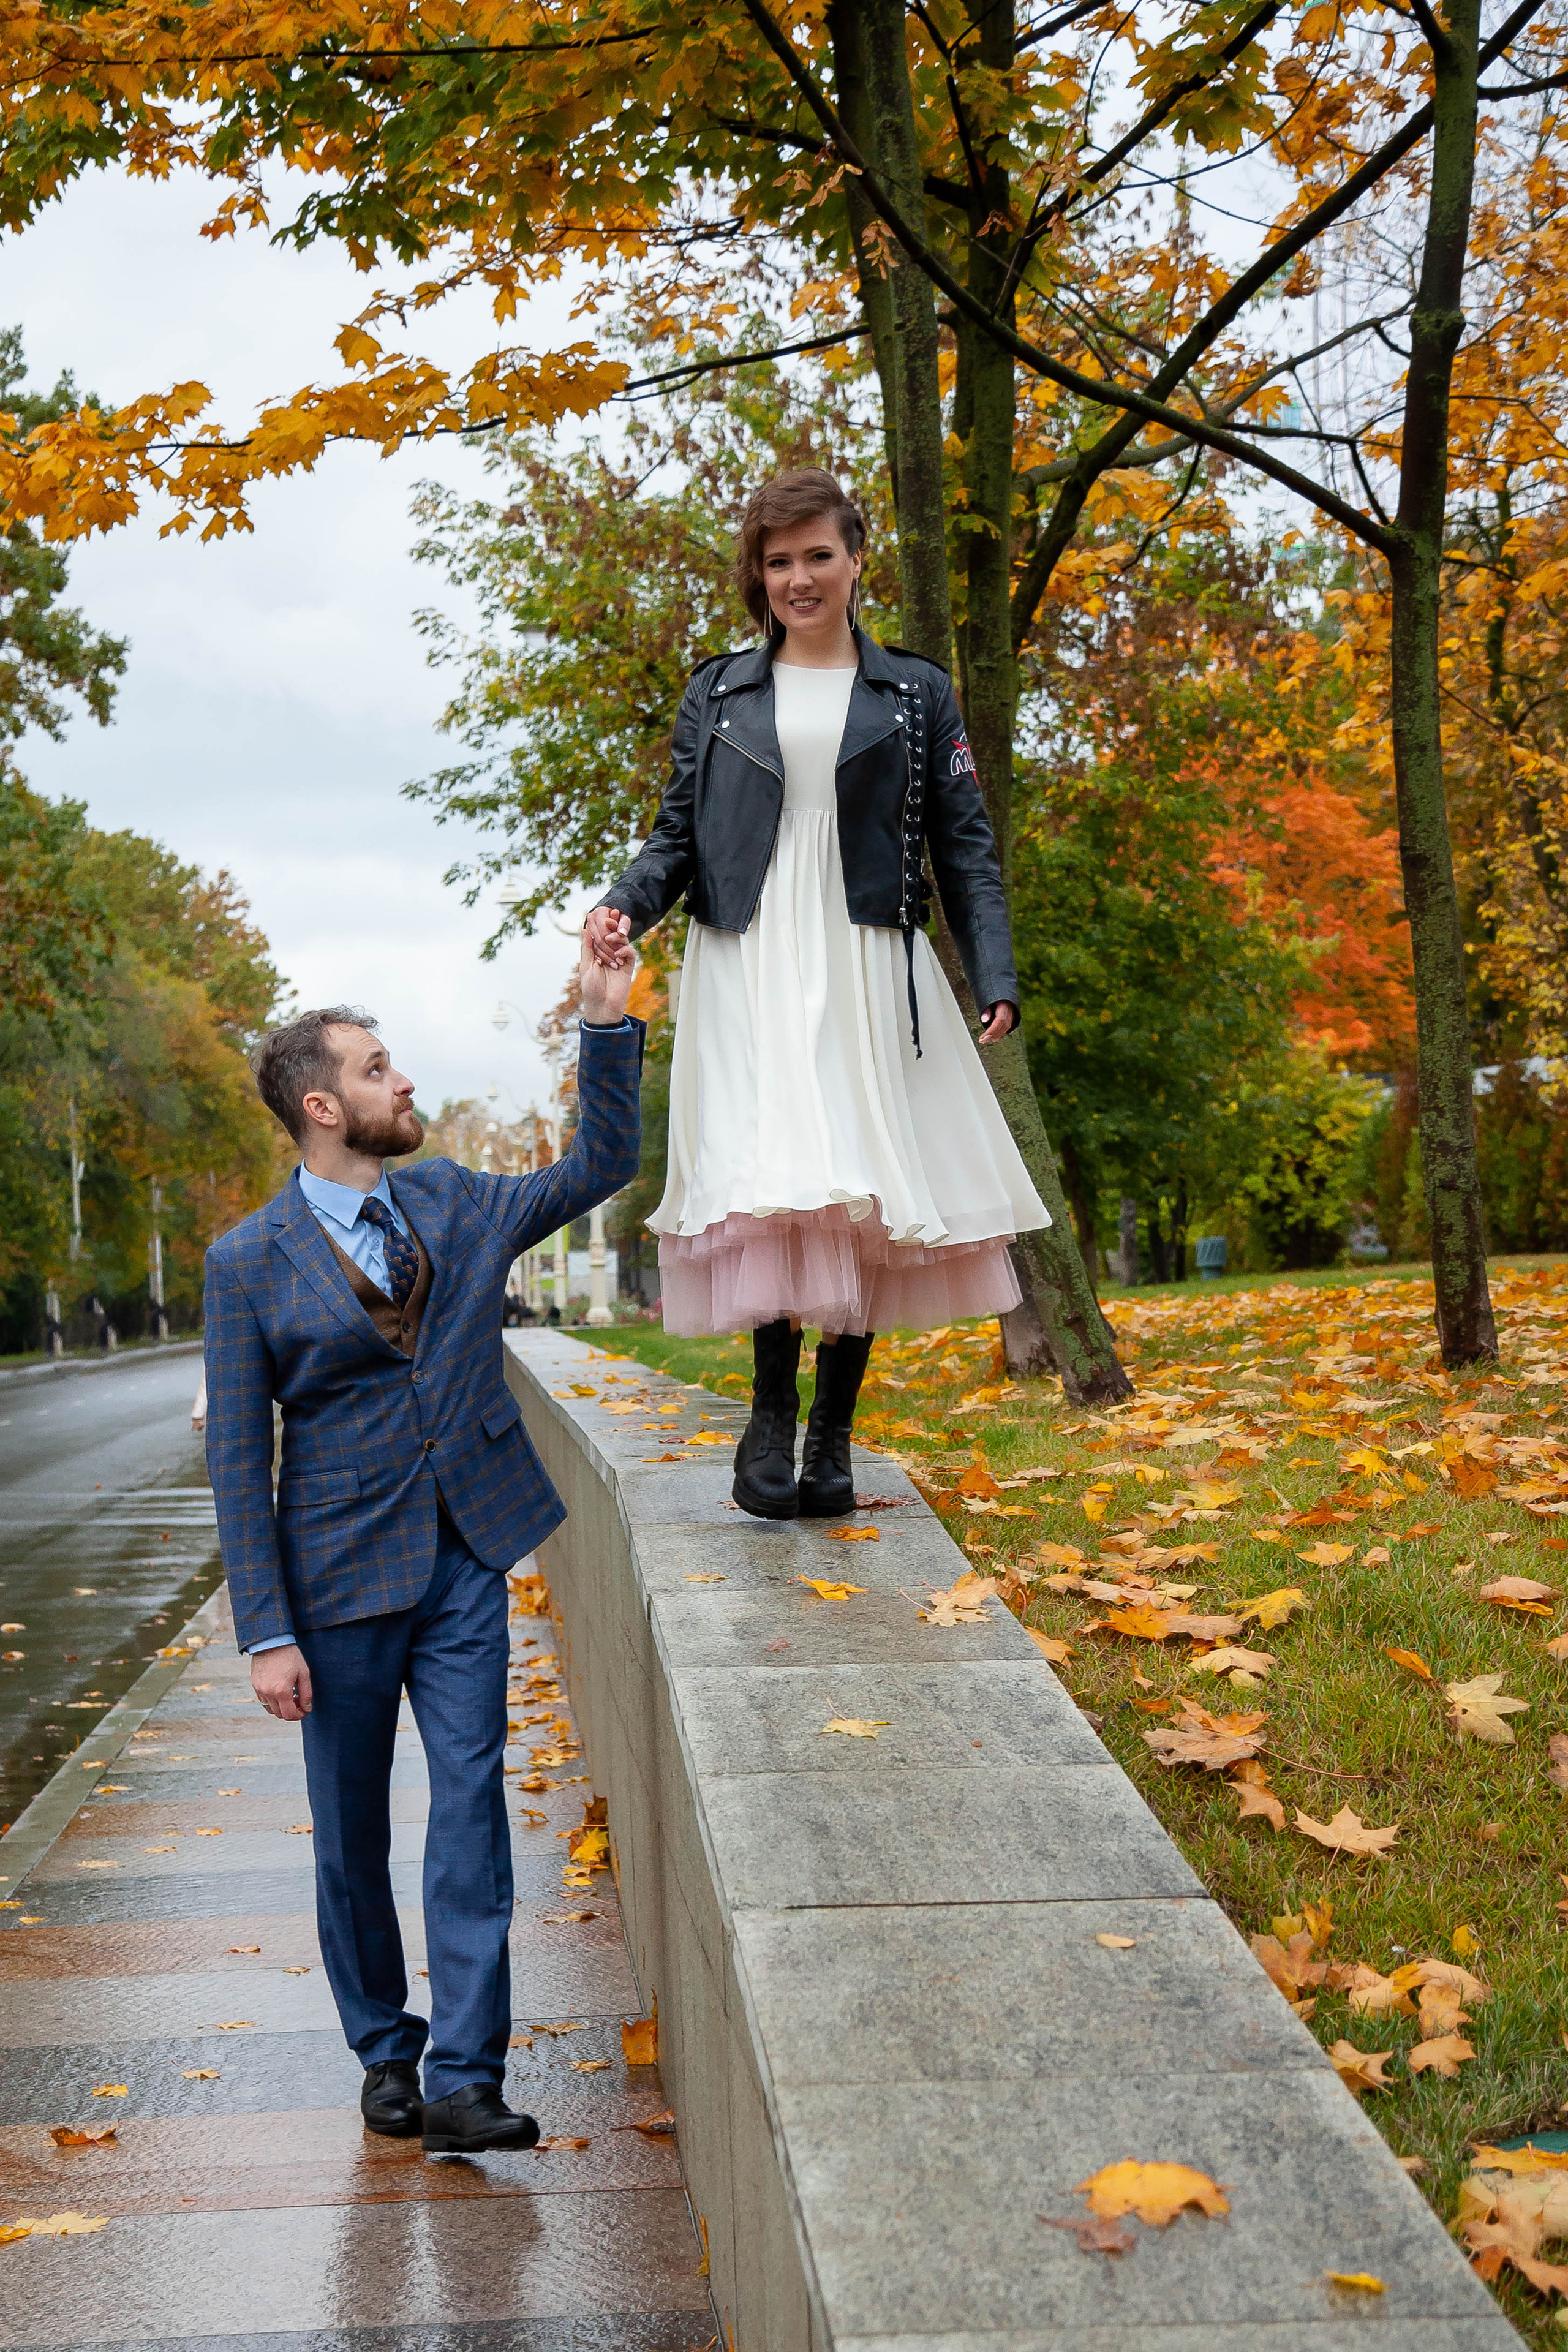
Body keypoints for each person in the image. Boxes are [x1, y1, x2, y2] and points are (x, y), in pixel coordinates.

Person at [202, 932, 638, 2155]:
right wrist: (265, 1632)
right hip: (332, 1586)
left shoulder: (451, 1197)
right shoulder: (243, 1264)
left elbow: (602, 1159)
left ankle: (462, 2076)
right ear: (321, 1104)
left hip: (462, 1558)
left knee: (469, 1808)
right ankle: (383, 2050)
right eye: (378, 1068)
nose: (404, 1084)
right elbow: (239, 1457)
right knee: (349, 1835)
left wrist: (603, 1020)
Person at [585, 467, 1048, 1521]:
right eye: (778, 560)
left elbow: (966, 849)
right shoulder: (720, 690)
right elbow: (675, 837)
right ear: (758, 571)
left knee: (857, 1179)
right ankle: (767, 1420)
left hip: (864, 954)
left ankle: (831, 1436)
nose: (799, 577)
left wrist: (998, 972)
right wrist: (625, 906)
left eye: (817, 556)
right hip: (746, 956)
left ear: (854, 560)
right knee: (775, 1175)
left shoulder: (917, 693)